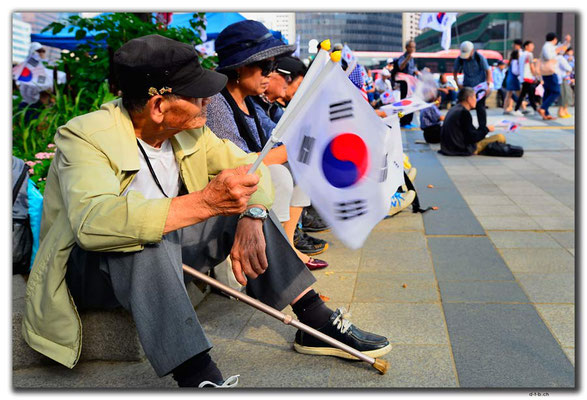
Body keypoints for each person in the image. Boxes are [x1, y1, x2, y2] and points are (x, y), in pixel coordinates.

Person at [22, 34, 391, 389]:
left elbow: (253, 168)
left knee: (237, 205)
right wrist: (206, 202)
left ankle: (314, 318)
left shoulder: (190, 132)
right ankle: (197, 374)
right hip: (92, 272)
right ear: (158, 106)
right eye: (196, 95)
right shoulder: (84, 136)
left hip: (170, 258)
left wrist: (252, 215)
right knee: (142, 236)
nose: (208, 102)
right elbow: (96, 223)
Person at [205, 20, 327, 271]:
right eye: (265, 66)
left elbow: (279, 137)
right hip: (227, 189)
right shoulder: (217, 104)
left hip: (252, 185)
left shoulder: (250, 103)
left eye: (273, 66)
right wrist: (297, 147)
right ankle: (278, 255)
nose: (271, 74)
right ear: (239, 68)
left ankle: (288, 244)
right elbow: (242, 162)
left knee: (300, 162)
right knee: (281, 172)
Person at [439, 87, 504, 156]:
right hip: (460, 149)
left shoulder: (454, 109)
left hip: (448, 148)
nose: (476, 100)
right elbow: (473, 138)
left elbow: (468, 132)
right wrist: (487, 129)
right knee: (500, 137)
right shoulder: (464, 113)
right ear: (469, 99)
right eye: (475, 98)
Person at [453, 41, 493, 130]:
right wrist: (457, 83)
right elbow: (455, 71)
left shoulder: (480, 58)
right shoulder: (460, 59)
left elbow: (488, 71)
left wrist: (487, 84)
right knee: (463, 108)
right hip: (467, 87)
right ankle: (462, 128)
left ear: (472, 51)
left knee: (480, 108)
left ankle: (482, 129)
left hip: (479, 87)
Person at [539, 32, 564, 120]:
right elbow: (549, 56)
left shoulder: (550, 47)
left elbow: (561, 50)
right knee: (556, 91)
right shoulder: (547, 46)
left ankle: (545, 113)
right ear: (554, 39)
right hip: (550, 72)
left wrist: (566, 43)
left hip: (548, 72)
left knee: (548, 92)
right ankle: (543, 108)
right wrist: (556, 51)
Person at [395, 40, 420, 127]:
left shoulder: (412, 59)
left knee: (412, 101)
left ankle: (409, 121)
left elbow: (414, 70)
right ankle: (403, 121)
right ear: (406, 48)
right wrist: (407, 59)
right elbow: (400, 67)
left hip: (412, 83)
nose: (413, 49)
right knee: (404, 102)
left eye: (414, 47)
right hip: (405, 83)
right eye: (411, 47)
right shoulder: (403, 57)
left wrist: (419, 73)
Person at [514, 41, 540, 116]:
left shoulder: (521, 55)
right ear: (526, 46)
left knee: (526, 94)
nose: (533, 47)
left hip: (523, 77)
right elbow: (531, 66)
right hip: (528, 77)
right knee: (528, 94)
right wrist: (535, 76)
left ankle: (518, 109)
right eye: (531, 45)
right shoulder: (529, 54)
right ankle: (534, 109)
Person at [556, 50, 573, 118]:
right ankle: (561, 111)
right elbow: (568, 68)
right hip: (563, 78)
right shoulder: (561, 58)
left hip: (565, 78)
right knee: (564, 95)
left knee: (567, 95)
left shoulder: (561, 57)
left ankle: (565, 110)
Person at [503, 49, 521, 115]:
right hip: (514, 79)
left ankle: (505, 109)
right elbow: (515, 71)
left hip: (510, 79)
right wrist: (520, 72)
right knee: (519, 94)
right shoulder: (515, 61)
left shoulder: (511, 61)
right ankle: (521, 108)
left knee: (509, 95)